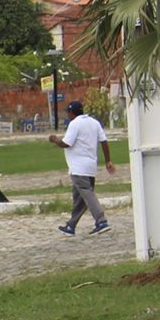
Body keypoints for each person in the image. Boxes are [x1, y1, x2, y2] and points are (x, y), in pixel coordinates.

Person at [51, 99, 115, 236]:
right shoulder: (94, 122)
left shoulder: (75, 124)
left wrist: (55, 139)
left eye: (68, 112)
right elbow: (104, 141)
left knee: (87, 194)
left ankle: (101, 221)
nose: (67, 115)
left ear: (72, 112)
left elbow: (66, 143)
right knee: (79, 198)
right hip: (91, 166)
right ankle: (71, 226)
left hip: (78, 168)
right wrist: (108, 160)